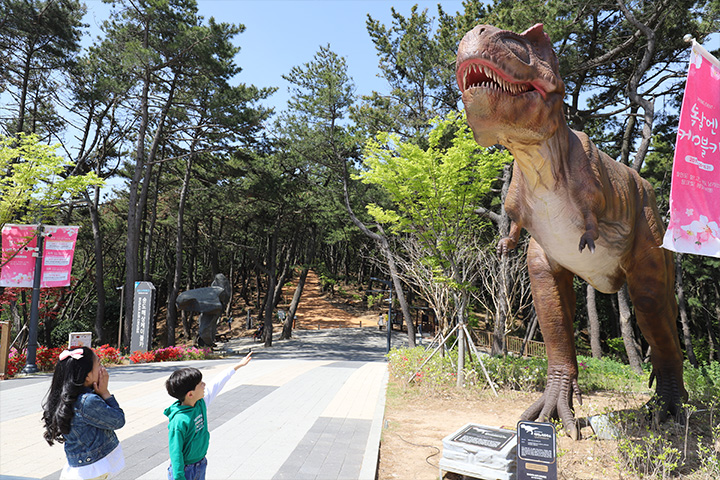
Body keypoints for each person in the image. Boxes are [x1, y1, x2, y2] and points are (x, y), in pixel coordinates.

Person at [164, 351, 253, 480]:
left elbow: (217, 383)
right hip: (184, 470)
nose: (204, 385)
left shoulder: (200, 403)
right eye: (200, 384)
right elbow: (175, 452)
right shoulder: (179, 421)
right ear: (190, 394)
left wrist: (237, 366)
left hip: (200, 464)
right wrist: (179, 477)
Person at [42, 346, 126, 480]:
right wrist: (105, 393)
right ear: (87, 376)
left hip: (79, 466)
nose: (103, 369)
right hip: (94, 468)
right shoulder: (88, 402)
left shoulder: (65, 398)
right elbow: (118, 420)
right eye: (99, 364)